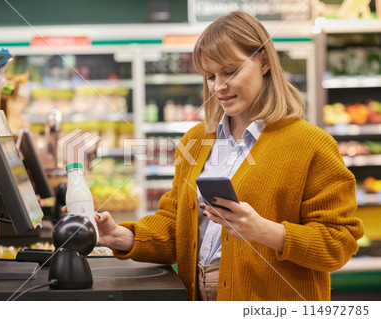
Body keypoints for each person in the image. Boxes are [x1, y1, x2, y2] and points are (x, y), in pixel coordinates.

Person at [85, 11, 364, 301]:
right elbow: (175, 226)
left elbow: (338, 243)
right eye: (210, 76)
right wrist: (118, 236)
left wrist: (265, 232)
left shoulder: (311, 144)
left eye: (230, 71)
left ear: (264, 62)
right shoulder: (197, 140)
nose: (218, 86)